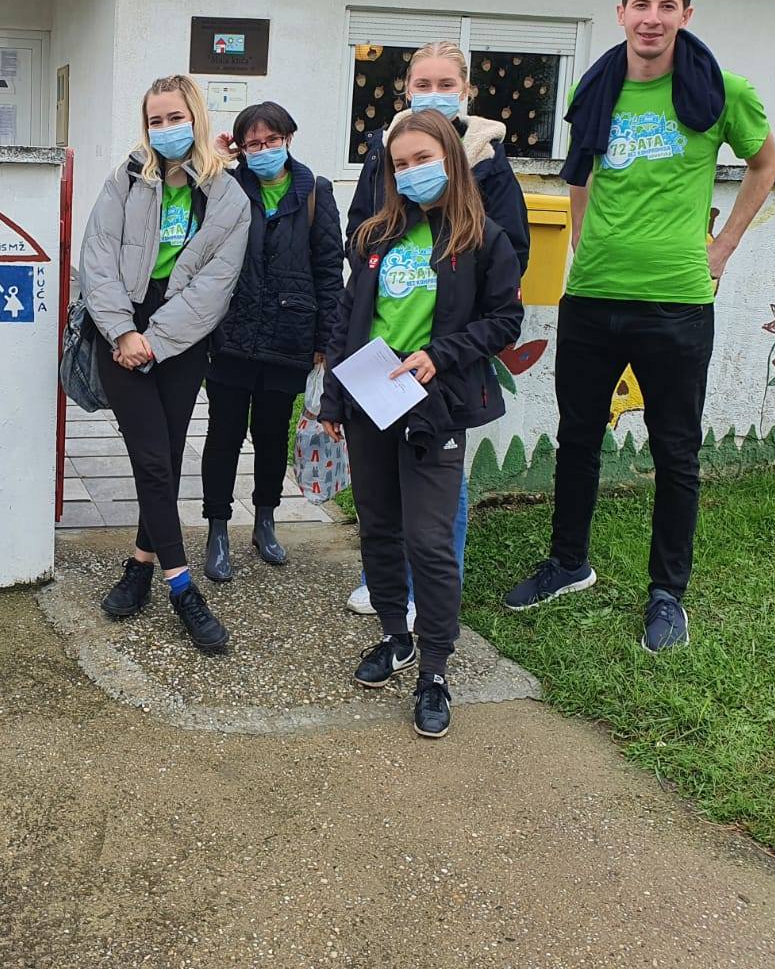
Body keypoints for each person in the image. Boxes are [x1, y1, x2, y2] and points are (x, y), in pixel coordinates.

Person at [502, 0, 775, 653]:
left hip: (676, 301)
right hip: (592, 297)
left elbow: (765, 163)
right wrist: (581, 241)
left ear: (686, 15)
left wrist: (723, 247)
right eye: (641, 5)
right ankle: (569, 563)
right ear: (621, 12)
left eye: (667, 6)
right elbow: (581, 173)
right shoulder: (596, 88)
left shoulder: (722, 90)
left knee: (675, 451)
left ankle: (667, 594)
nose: (652, 18)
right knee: (578, 438)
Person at [320, 109, 523, 738]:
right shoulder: (375, 237)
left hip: (436, 407)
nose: (411, 172)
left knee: (429, 541)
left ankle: (434, 669)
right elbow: (348, 319)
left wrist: (440, 355)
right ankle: (395, 637)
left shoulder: (483, 238)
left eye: (423, 160)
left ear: (451, 160)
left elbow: (505, 321)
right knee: (379, 529)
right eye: (400, 164)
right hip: (370, 402)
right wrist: (333, 401)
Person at [342, 39, 531, 623]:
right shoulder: (385, 151)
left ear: (466, 90)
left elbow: (508, 257)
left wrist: (453, 311)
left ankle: (434, 593)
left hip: (445, 357)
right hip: (382, 360)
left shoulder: (489, 161)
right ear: (405, 91)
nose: (432, 94)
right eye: (421, 84)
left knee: (438, 492)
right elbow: (361, 233)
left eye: (445, 84)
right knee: (381, 488)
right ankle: (388, 588)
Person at [79, 75, 251, 652]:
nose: (165, 129)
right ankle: (182, 588)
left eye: (175, 118)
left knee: (168, 457)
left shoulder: (228, 197)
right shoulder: (127, 179)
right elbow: (97, 258)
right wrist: (124, 332)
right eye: (156, 120)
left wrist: (156, 339)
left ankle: (139, 565)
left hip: (182, 337)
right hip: (118, 333)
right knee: (152, 459)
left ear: (196, 119)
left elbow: (216, 285)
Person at [200, 101, 342, 582]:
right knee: (223, 434)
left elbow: (329, 270)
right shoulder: (228, 185)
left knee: (270, 435)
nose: (263, 150)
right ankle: (217, 528)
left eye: (271, 141)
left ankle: (265, 520)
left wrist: (325, 339)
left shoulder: (315, 192)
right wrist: (216, 158)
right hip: (232, 333)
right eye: (253, 144)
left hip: (289, 335)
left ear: (288, 139)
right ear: (241, 147)